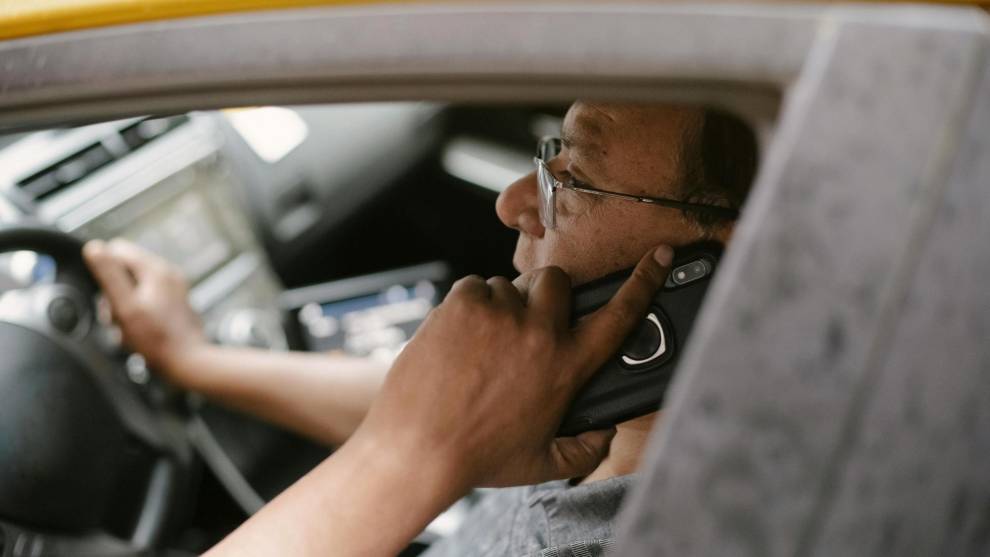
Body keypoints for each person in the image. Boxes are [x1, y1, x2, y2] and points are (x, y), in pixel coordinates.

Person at [82, 100, 757, 555]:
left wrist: (404, 457)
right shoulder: (611, 406)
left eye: (575, 176)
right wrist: (197, 360)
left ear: (736, 257)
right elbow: (447, 408)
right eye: (549, 153)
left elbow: (431, 427)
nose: (514, 201)